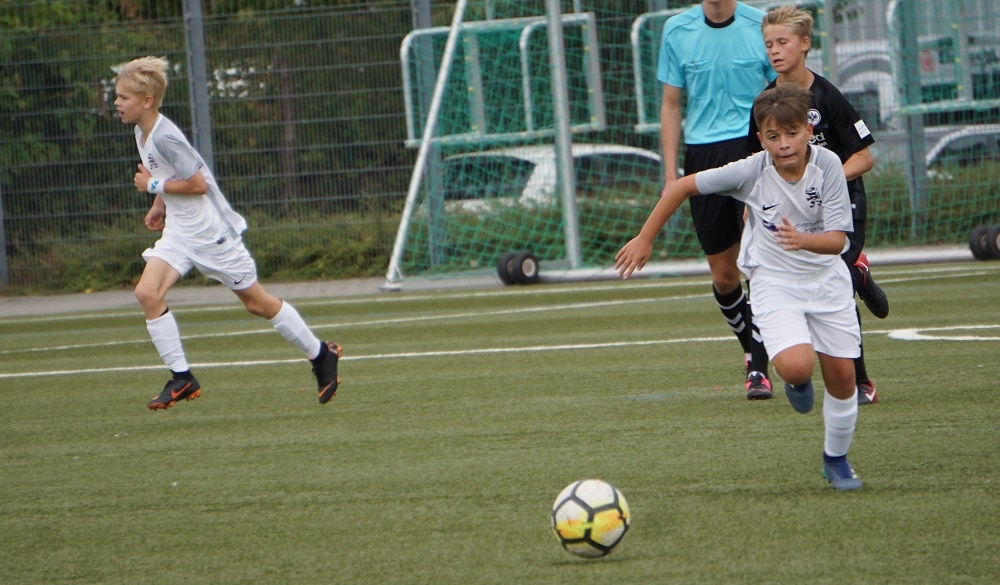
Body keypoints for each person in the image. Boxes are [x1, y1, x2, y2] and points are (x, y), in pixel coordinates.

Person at [616, 84, 864, 490]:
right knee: (797, 367)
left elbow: (838, 241)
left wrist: (803, 240)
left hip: (826, 280)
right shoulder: (751, 170)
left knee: (843, 380)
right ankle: (796, 380)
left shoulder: (829, 164)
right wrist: (645, 238)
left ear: (808, 130)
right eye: (773, 136)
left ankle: (835, 460)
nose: (784, 144)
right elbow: (681, 187)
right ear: (761, 138)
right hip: (775, 282)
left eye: (792, 133)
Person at [113, 56, 342, 410]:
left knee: (257, 304)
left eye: (123, 97)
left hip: (211, 234)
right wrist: (159, 204)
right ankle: (182, 378)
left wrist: (153, 186)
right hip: (179, 233)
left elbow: (197, 185)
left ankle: (321, 355)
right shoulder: (141, 132)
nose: (116, 102)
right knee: (147, 293)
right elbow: (169, 174)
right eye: (117, 96)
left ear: (147, 101)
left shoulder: (166, 136)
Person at [748, 4, 889, 405]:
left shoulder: (828, 96)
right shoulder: (765, 103)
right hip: (788, 210)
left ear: (805, 43)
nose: (775, 51)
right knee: (768, 276)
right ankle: (763, 373)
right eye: (769, 44)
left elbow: (864, 157)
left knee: (835, 279)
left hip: (840, 203)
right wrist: (750, 208)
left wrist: (827, 180)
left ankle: (860, 382)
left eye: (783, 42)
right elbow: (754, 164)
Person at [657, 0, 777, 400]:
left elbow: (782, 92)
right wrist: (671, 173)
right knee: (725, 277)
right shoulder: (677, 29)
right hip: (703, 155)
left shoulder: (760, 24)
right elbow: (671, 103)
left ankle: (759, 368)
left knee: (758, 264)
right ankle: (751, 349)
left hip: (753, 150)